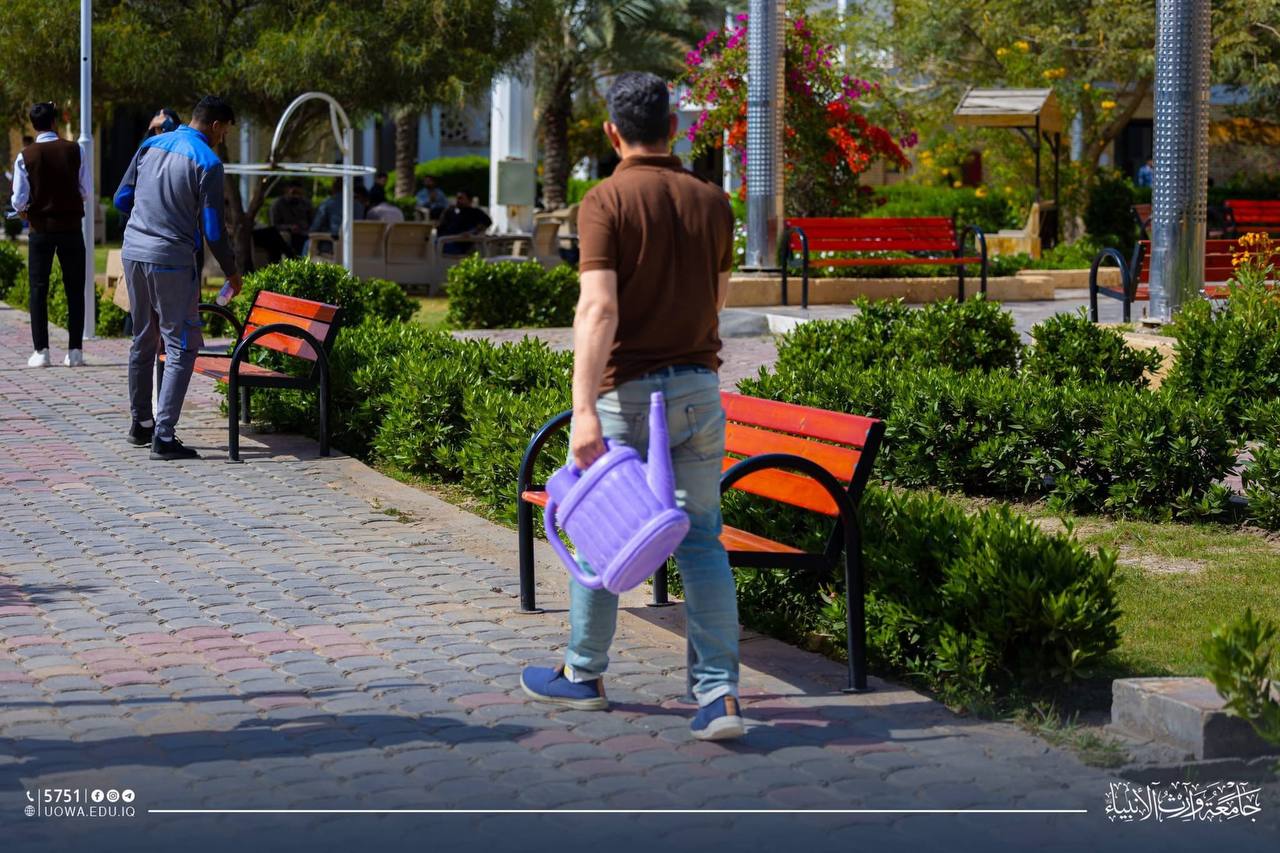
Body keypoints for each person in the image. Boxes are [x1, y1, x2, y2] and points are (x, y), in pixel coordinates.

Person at [519, 73, 741, 740]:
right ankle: (720, 696)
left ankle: (584, 673)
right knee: (702, 540)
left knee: (599, 531)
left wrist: (583, 407)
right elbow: (718, 300)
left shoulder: (605, 201)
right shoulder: (714, 201)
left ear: (612, 133)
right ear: (673, 128)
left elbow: (598, 308)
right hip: (698, 391)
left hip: (627, 395)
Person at [113, 95, 242, 461]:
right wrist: (232, 272)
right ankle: (165, 436)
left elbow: (121, 198)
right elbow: (214, 230)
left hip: (133, 252)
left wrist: (150, 214)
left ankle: (141, 424)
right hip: (171, 259)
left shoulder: (150, 145)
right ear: (215, 126)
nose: (222, 139)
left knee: (143, 338)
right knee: (181, 345)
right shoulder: (208, 162)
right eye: (224, 132)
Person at [10, 103, 93, 368]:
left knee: (38, 289)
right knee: (75, 288)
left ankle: (41, 351)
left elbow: (18, 199)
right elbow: (86, 191)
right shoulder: (75, 150)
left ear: (34, 126)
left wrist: (24, 209)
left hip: (41, 229)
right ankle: (75, 351)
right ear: (55, 122)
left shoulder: (26, 156)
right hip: (71, 227)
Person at [270, 181, 313, 255]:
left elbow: (312, 221)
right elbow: (274, 225)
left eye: (299, 194)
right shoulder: (278, 204)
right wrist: (289, 227)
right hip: (288, 234)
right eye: (294, 193)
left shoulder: (305, 203)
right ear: (286, 191)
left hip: (304, 233)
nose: (297, 196)